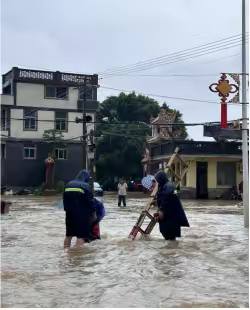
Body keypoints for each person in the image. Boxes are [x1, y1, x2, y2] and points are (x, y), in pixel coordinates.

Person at [63, 169, 96, 248]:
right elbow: (90, 202)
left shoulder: (68, 184)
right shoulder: (85, 186)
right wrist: (93, 214)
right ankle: (78, 256)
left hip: (69, 214)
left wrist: (67, 211)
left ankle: (65, 252)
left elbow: (64, 200)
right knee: (80, 236)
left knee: (69, 235)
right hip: (81, 215)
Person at [153, 170, 189, 241]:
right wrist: (157, 203)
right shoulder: (168, 186)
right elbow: (175, 193)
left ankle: (171, 250)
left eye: (158, 180)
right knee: (169, 238)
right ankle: (171, 250)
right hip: (171, 216)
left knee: (170, 237)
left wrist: (161, 210)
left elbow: (168, 197)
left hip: (170, 217)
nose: (157, 181)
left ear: (161, 179)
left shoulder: (168, 186)